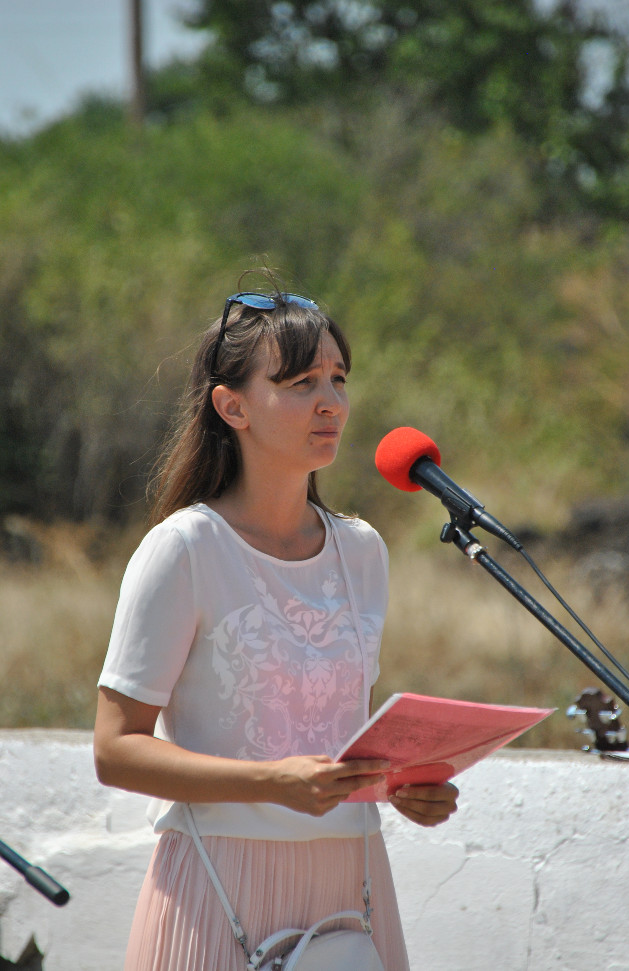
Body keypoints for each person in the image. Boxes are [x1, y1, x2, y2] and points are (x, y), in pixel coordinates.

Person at [94, 282, 459, 971]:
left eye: (338, 378)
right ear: (231, 406)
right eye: (299, 382)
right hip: (218, 889)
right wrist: (270, 781)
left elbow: (333, 738)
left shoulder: (362, 550)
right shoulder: (183, 549)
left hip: (352, 888)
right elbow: (116, 750)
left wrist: (404, 784)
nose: (330, 402)